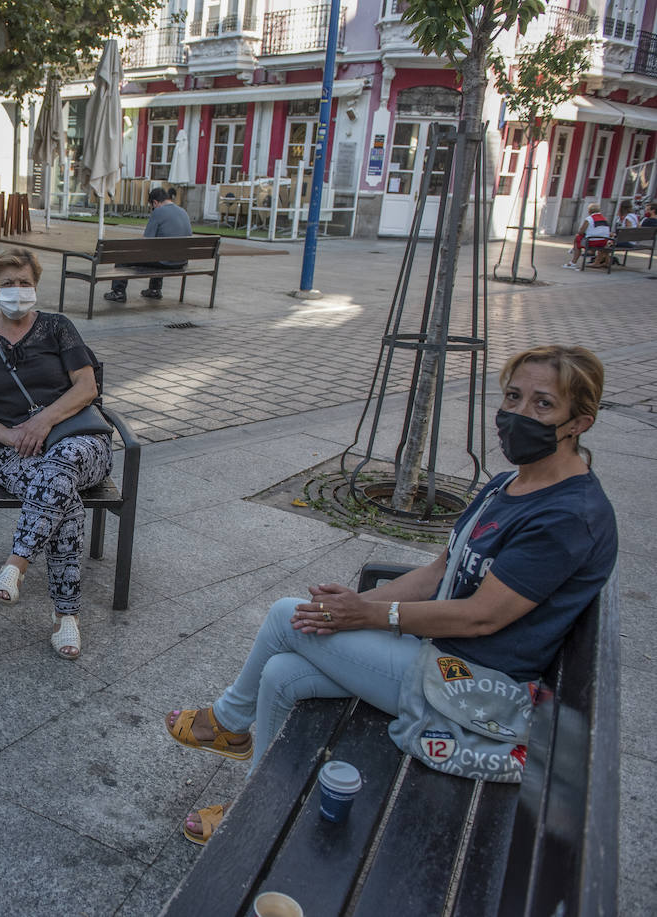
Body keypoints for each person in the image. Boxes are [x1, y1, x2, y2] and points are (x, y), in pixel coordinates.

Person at [162, 345, 617, 845]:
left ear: (580, 422)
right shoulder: (510, 483)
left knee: (284, 615)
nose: (518, 414)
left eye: (543, 404)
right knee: (281, 672)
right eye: (513, 396)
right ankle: (256, 806)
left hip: (472, 685)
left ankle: (226, 723)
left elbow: (481, 619)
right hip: (434, 654)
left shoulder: (567, 517)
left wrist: (371, 615)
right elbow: (439, 570)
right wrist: (355, 611)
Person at [0, 248, 114, 661]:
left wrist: (42, 423)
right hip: (14, 453)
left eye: (24, 283)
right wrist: (8, 436)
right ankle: (66, 617)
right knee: (63, 496)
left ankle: (16, 564)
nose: (17, 291)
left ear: (36, 287)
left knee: (61, 467)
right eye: (8, 284)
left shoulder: (58, 327)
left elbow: (87, 387)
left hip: (80, 444)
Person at [103, 187, 192, 303]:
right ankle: (154, 290)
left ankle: (118, 292)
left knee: (122, 255)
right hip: (181, 261)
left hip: (165, 262)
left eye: (152, 207)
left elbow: (146, 242)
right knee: (160, 252)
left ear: (155, 202)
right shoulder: (183, 211)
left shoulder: (158, 212)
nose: (152, 209)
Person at [564, 202, 610, 269]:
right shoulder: (604, 219)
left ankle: (573, 262)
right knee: (601, 245)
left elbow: (581, 232)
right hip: (604, 241)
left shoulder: (589, 219)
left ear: (589, 211)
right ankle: (600, 262)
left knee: (577, 238)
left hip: (592, 241)